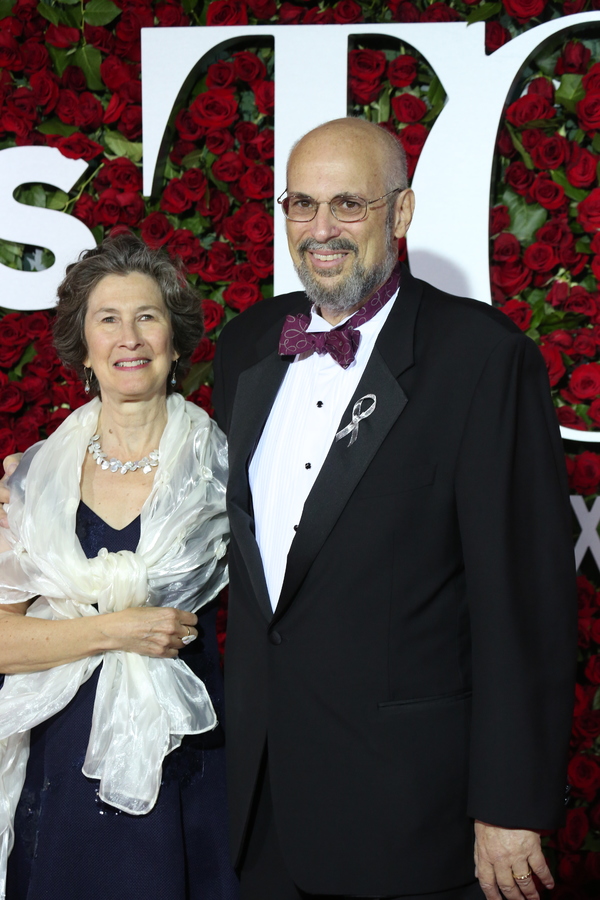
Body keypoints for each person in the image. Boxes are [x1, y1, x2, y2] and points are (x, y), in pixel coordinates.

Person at [211, 118, 577, 900]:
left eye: (348, 205)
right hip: (261, 807)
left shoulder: (480, 358)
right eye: (300, 205)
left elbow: (524, 600)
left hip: (412, 819)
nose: (320, 231)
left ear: (401, 214)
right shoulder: (245, 344)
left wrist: (510, 804)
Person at [0, 233, 239, 900]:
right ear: (82, 346)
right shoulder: (32, 481)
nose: (128, 337)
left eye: (147, 317)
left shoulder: (231, 470)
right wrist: (116, 630)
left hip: (192, 767)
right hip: (61, 772)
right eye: (108, 319)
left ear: (176, 341)